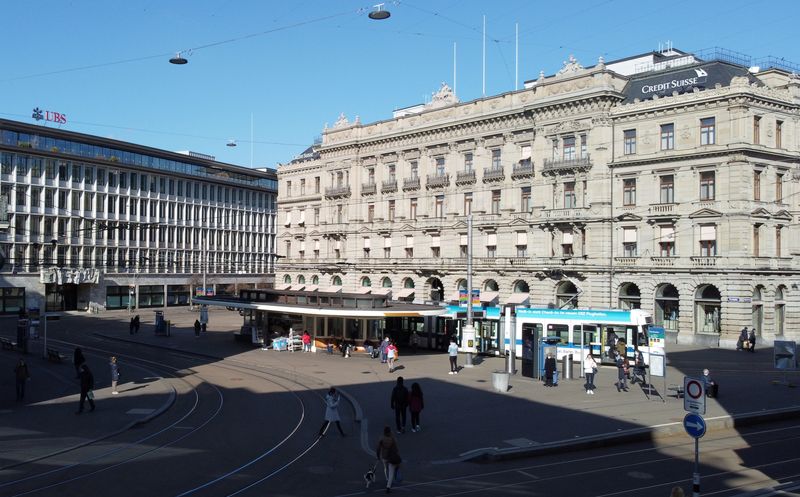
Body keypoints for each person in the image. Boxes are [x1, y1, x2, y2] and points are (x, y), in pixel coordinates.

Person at [375, 425, 402, 493]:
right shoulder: (392, 438)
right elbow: (396, 449)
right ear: (389, 432)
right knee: (391, 472)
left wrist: (378, 456)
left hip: (384, 457)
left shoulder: (381, 438)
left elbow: (378, 449)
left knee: (386, 468)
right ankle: (388, 486)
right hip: (391, 457)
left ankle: (387, 479)